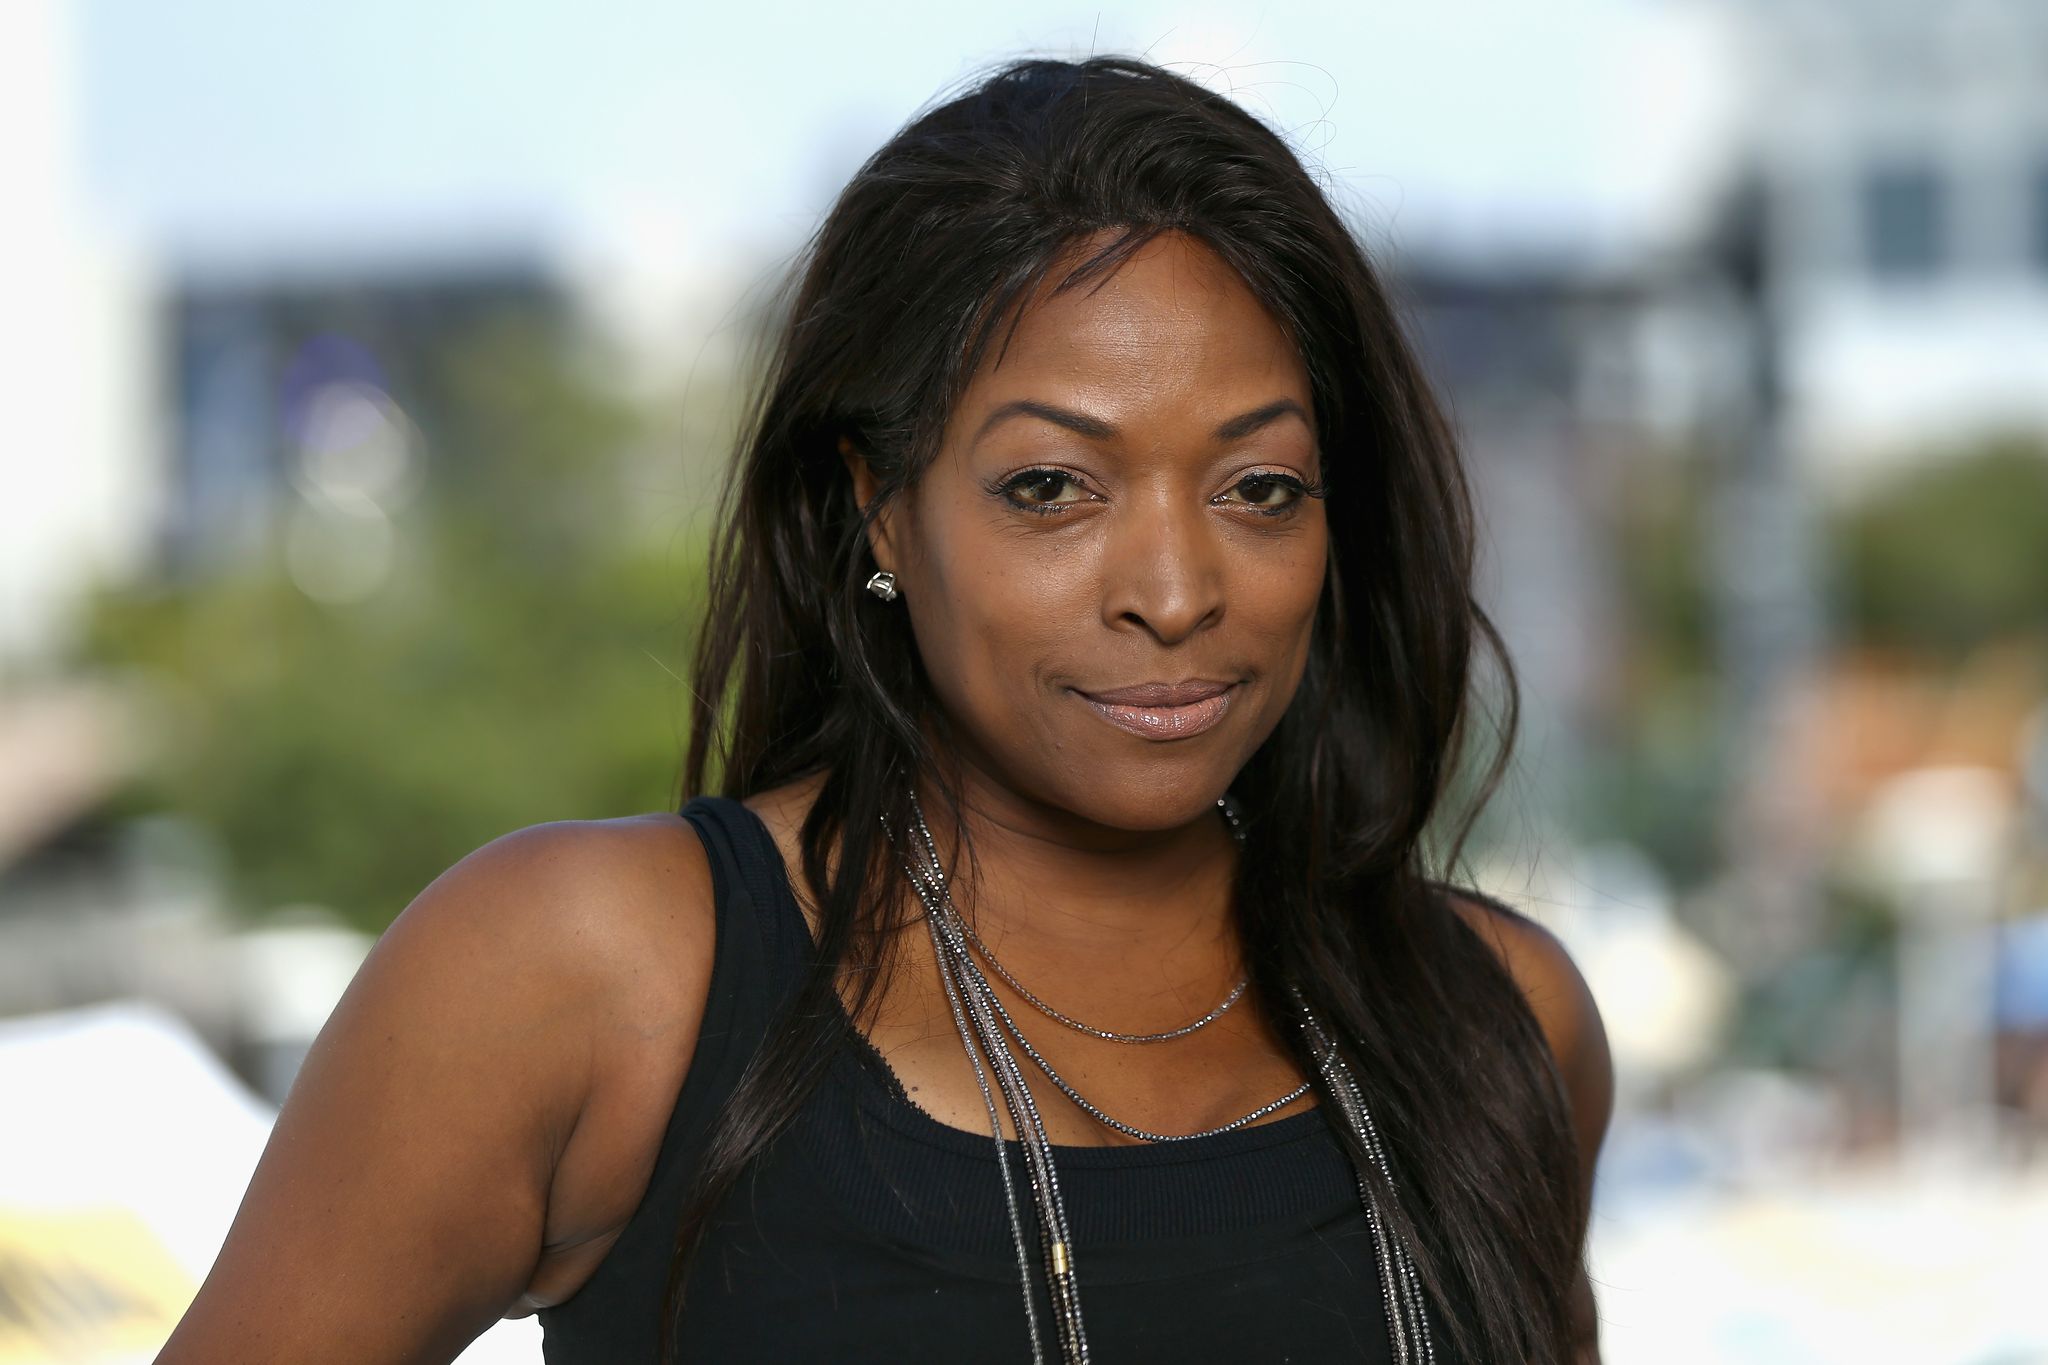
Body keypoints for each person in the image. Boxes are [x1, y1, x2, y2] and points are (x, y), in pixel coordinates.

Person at [156, 54, 1612, 1365]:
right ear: (879, 511)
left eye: (1259, 488)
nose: (1174, 590)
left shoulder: (1499, 1025)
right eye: (1052, 487)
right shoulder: (590, 980)